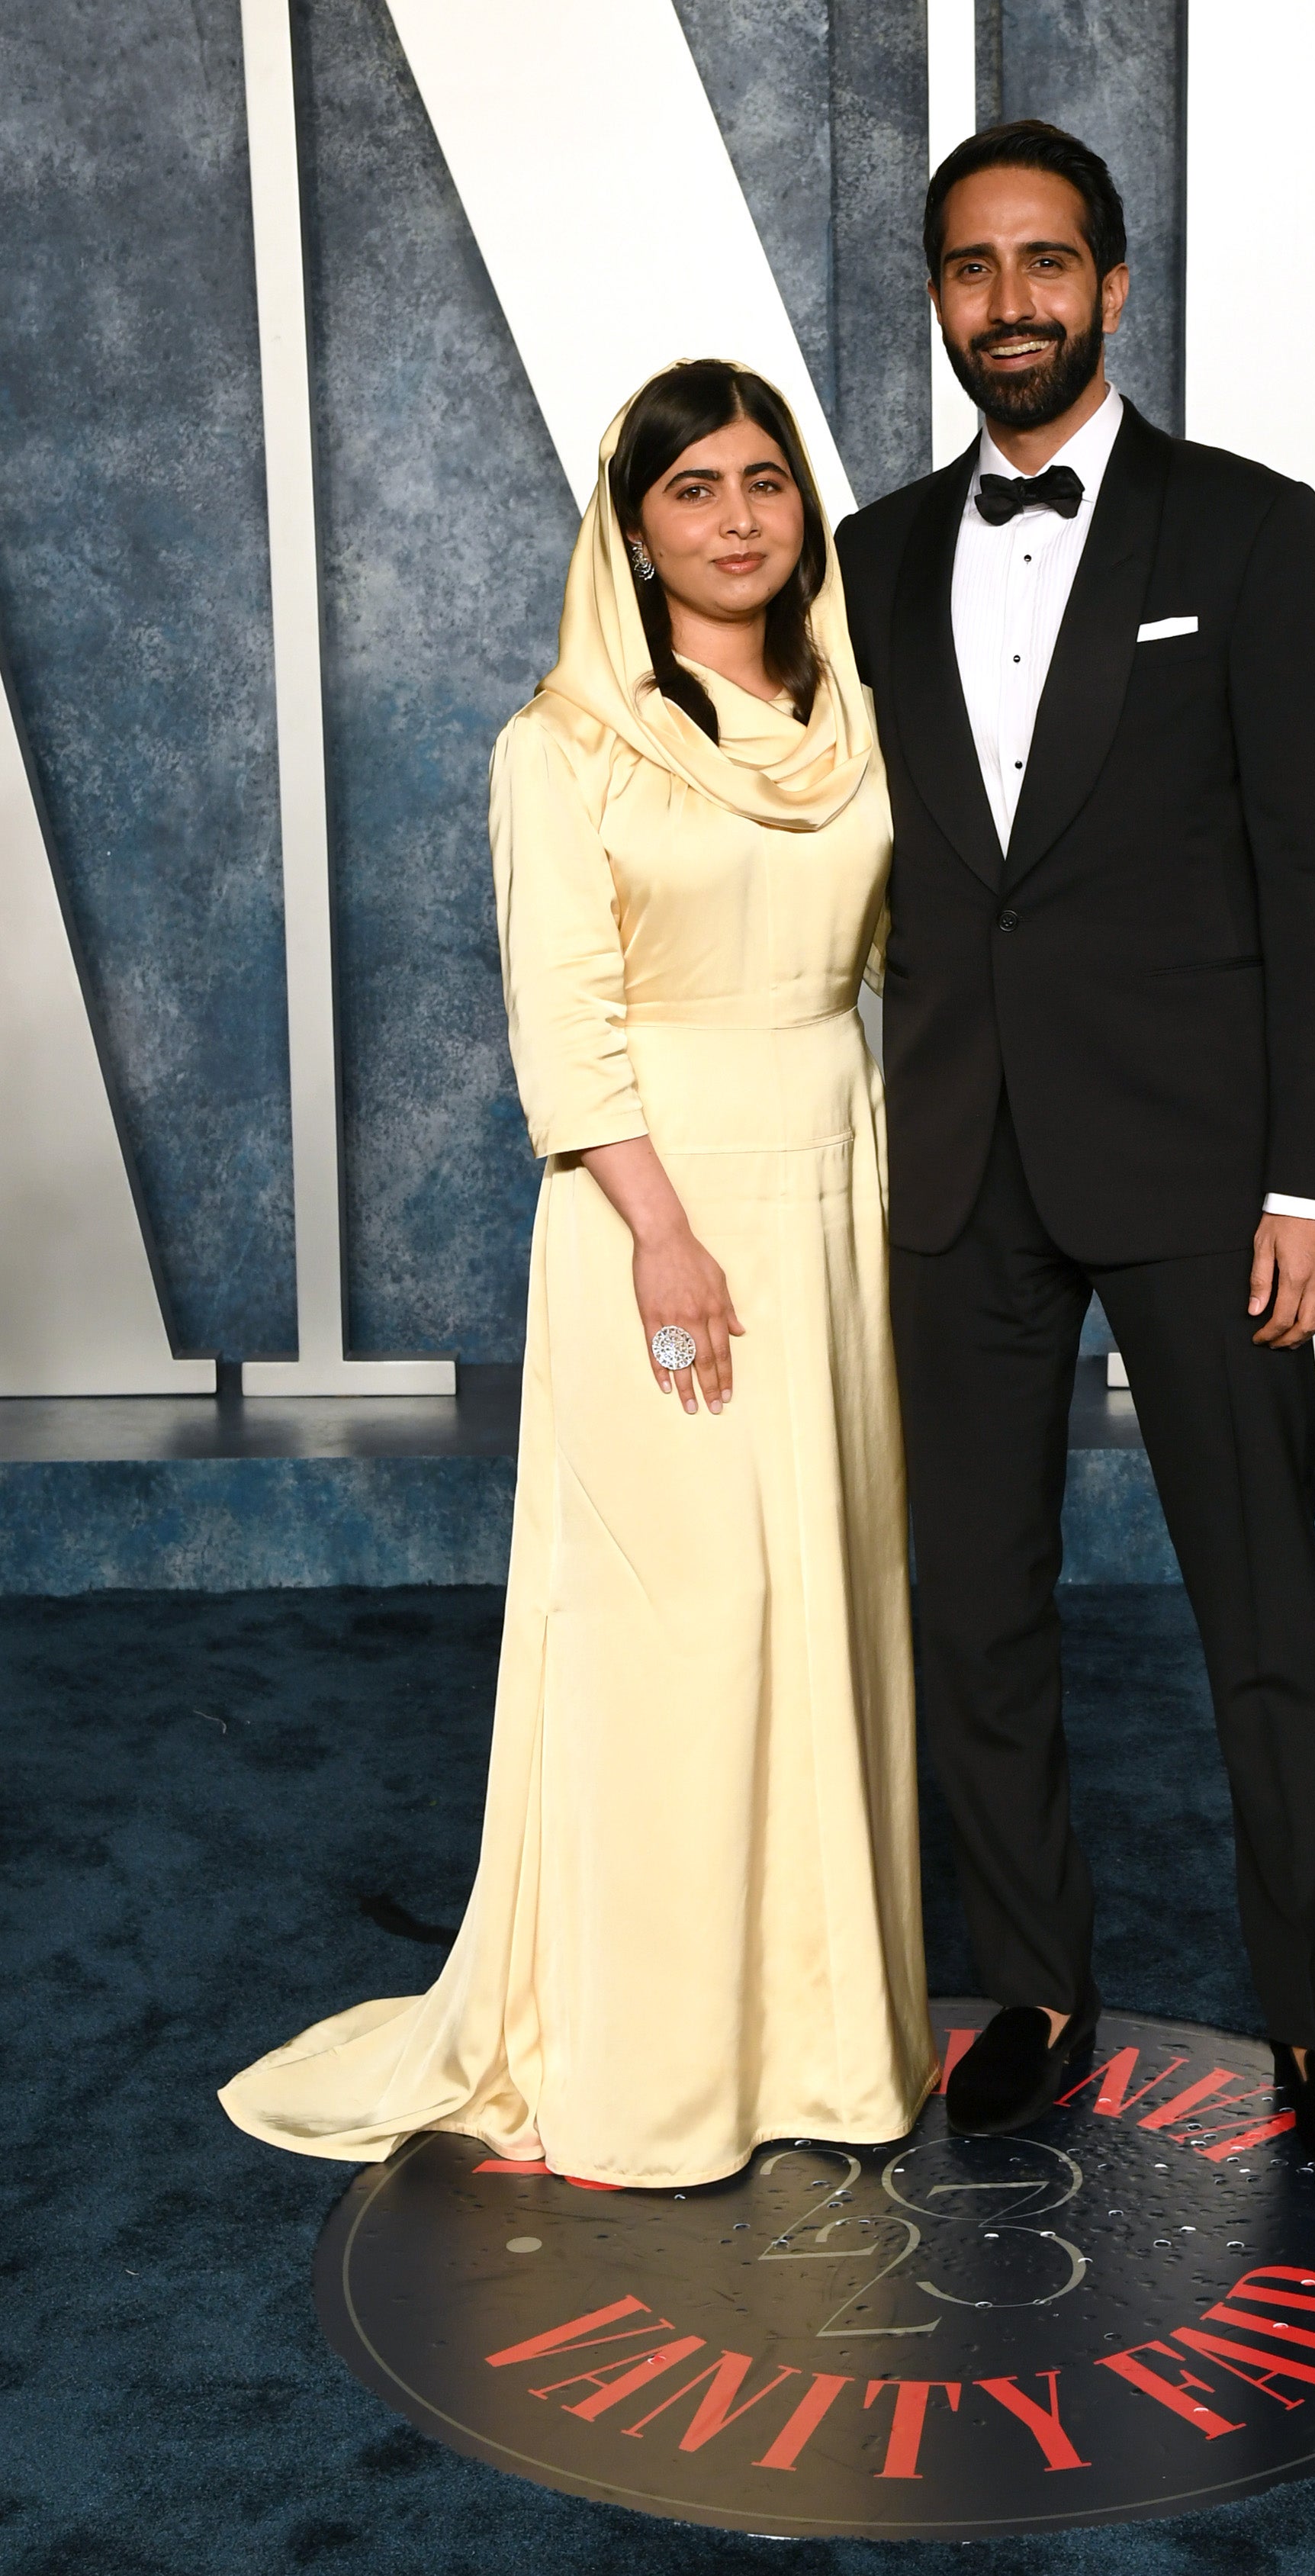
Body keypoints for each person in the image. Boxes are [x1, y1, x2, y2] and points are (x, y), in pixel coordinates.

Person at [220, 363, 937, 2188]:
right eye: (692, 489)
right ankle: (653, 2062)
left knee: (822, 1596)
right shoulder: (560, 743)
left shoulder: (859, 714)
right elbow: (563, 1017)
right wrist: (664, 1231)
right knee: (679, 1621)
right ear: (632, 529)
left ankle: (818, 2041)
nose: (738, 519)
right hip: (660, 1205)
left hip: (833, 1169)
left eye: (766, 480)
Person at [837, 121, 1315, 2177]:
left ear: (1114, 285)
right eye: (972, 268)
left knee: (1260, 1605)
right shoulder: (867, 552)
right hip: (958, 1160)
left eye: (1045, 263)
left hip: (1199, 1166)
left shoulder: (1247, 531)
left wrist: (1313, 1175)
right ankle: (1042, 1989)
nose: (1010, 301)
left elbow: (1313, 863)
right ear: (936, 293)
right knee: (976, 1607)